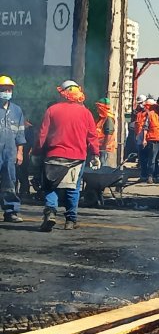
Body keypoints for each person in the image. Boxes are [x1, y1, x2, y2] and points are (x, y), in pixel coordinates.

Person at [35, 80, 100, 231]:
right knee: (73, 188)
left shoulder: (52, 110)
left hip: (53, 156)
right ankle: (70, 220)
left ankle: (50, 212)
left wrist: (37, 151)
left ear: (62, 93)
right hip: (77, 158)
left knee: (50, 186)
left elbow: (42, 134)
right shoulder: (86, 113)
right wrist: (95, 154)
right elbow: (92, 136)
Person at [0, 75, 26, 223]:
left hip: (10, 153)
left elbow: (20, 133)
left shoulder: (17, 111)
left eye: (9, 89)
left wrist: (20, 152)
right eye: (3, 89)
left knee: (10, 182)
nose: (6, 92)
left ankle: (11, 211)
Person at [94, 97, 116, 167]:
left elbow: (109, 134)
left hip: (105, 149)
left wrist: (104, 147)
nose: (97, 110)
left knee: (104, 167)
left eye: (98, 107)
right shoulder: (101, 118)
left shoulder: (108, 118)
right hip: (100, 147)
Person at [135, 98, 153, 181]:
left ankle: (150, 175)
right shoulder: (139, 114)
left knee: (150, 159)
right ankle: (143, 175)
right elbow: (137, 125)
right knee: (142, 158)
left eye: (147, 105)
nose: (144, 106)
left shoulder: (151, 115)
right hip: (140, 138)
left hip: (149, 139)